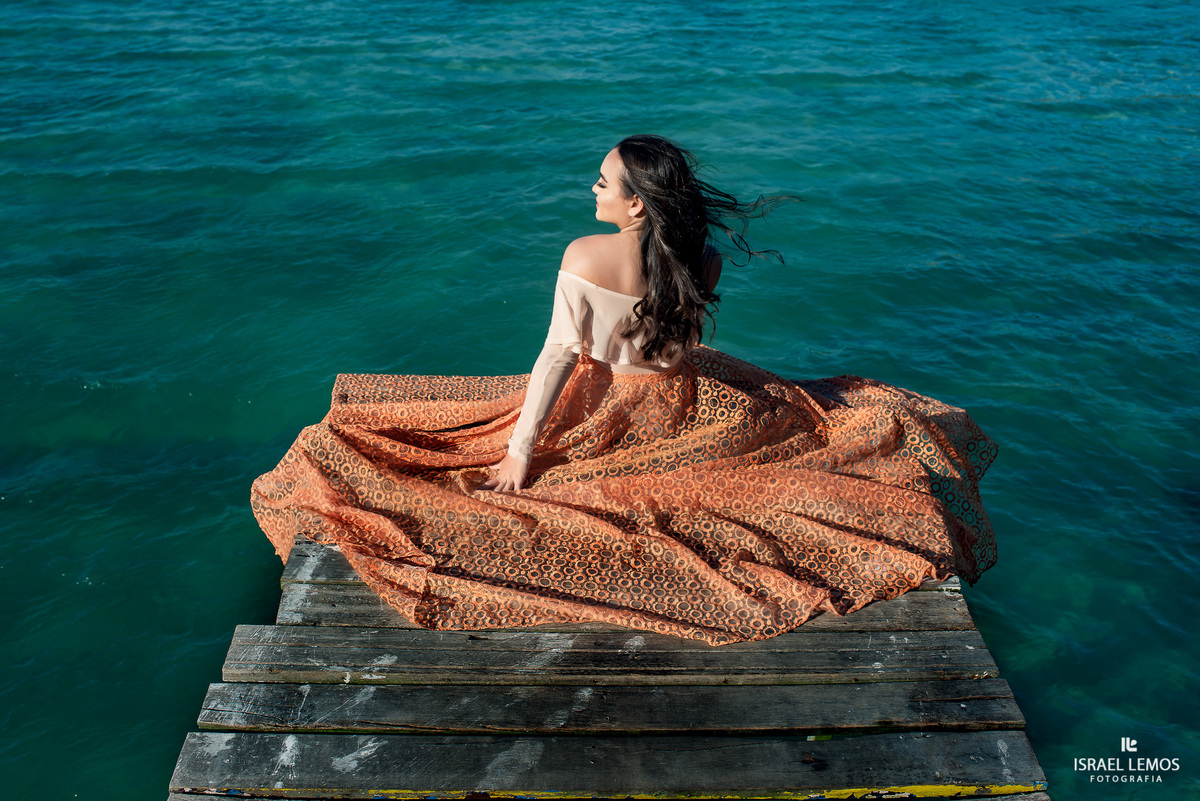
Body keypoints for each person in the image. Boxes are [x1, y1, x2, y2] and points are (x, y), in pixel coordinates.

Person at [251, 135, 997, 645]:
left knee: (394, 449)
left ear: (636, 203)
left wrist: (521, 454)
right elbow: (684, 350)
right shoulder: (702, 260)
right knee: (819, 425)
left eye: (604, 181)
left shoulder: (582, 254)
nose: (593, 188)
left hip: (598, 406)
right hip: (689, 404)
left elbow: (553, 362)